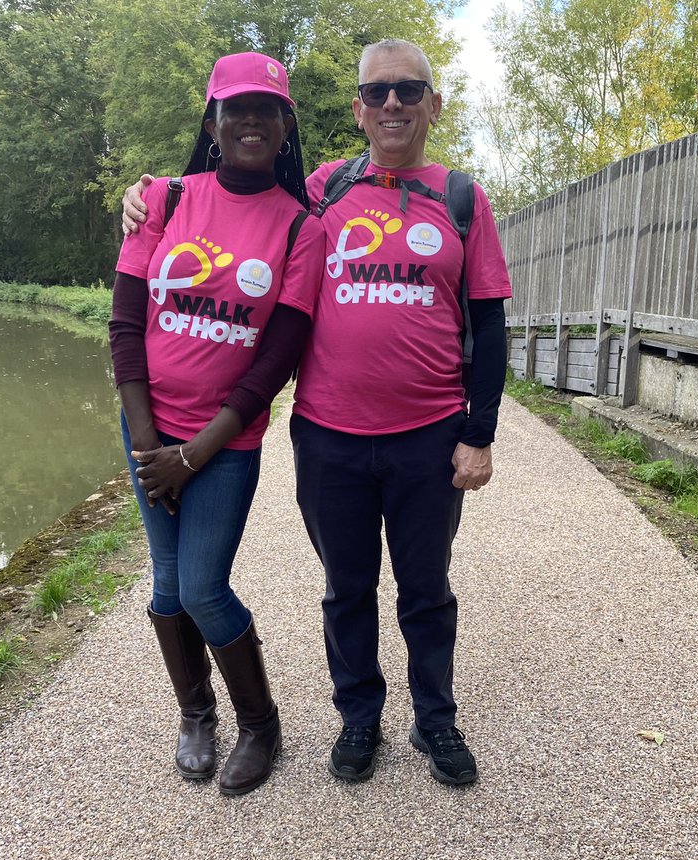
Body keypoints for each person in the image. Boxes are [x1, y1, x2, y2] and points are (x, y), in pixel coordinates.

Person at [123, 39, 512, 787]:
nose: (392, 104)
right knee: (348, 586)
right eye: (377, 93)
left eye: (408, 91)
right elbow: (235, 198)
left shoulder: (463, 197)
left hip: (428, 438)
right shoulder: (324, 189)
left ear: (434, 104)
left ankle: (435, 721)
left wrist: (480, 432)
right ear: (358, 110)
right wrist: (145, 193)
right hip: (329, 435)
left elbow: (489, 323)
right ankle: (359, 718)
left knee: (426, 589)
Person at [110, 51, 323, 796]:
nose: (251, 122)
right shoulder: (163, 200)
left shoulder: (302, 229)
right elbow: (126, 325)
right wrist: (145, 443)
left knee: (202, 586)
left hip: (224, 443)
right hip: (147, 430)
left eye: (267, 110)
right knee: (167, 586)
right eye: (236, 109)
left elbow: (279, 357)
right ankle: (195, 714)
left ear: (285, 126)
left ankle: (260, 723)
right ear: (213, 121)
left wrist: (194, 453)